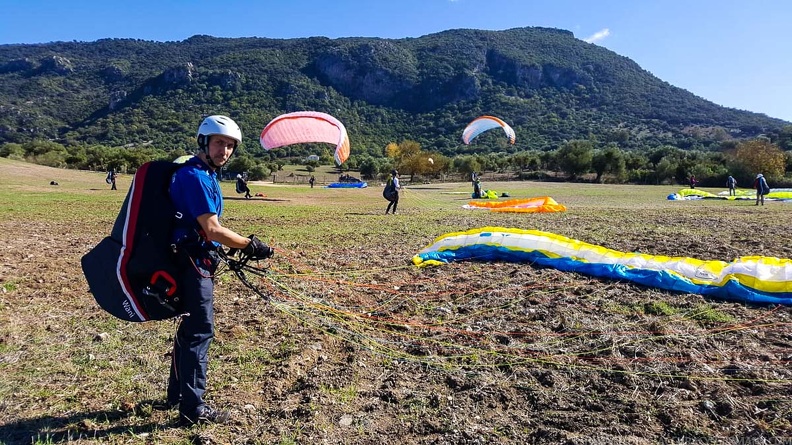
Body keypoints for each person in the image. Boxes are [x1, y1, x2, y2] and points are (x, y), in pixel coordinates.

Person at [166, 115, 274, 426]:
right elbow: (212, 230)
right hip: (192, 263)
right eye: (218, 143)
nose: (224, 150)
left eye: (229, 146)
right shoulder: (196, 177)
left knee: (189, 331)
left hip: (193, 259)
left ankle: (176, 395)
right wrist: (250, 244)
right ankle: (193, 409)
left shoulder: (204, 173)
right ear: (204, 142)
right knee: (200, 331)